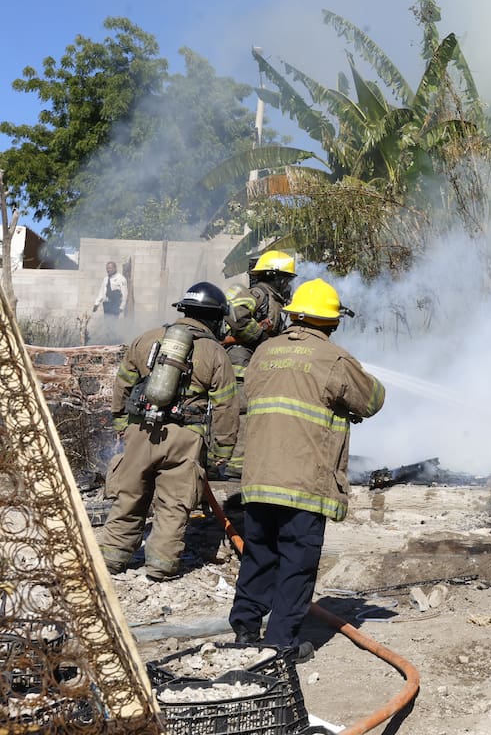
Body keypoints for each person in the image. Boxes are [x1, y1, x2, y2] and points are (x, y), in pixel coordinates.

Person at [229, 278, 384, 660]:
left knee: (259, 556)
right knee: (297, 562)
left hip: (260, 477)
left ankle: (245, 631)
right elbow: (372, 400)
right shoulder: (334, 359)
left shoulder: (264, 352)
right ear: (331, 323)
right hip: (303, 481)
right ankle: (281, 643)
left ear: (295, 315)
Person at [97, 282, 239, 581]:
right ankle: (161, 565)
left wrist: (123, 423)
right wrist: (222, 452)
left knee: (129, 495)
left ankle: (111, 558)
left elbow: (122, 384)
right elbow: (226, 407)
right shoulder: (215, 353)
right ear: (214, 317)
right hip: (185, 438)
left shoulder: (146, 339)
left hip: (140, 429)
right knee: (174, 505)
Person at [218, 250, 297, 480]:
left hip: (258, 363)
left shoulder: (276, 300)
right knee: (243, 411)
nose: (288, 285)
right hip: (241, 361)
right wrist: (258, 336)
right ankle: (236, 466)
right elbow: (237, 315)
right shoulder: (258, 293)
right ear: (275, 277)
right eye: (286, 279)